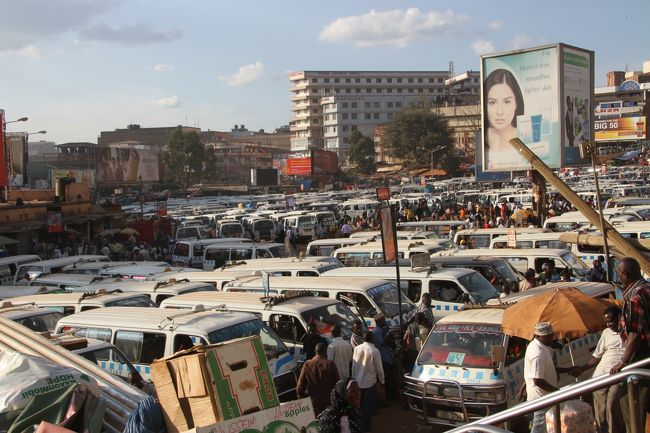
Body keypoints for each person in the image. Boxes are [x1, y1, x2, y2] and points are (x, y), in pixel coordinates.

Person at [610, 257, 649, 431]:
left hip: (640, 355)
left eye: (618, 274)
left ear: (625, 275)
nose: (618, 277)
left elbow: (634, 334)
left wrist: (624, 362)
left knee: (631, 403)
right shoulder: (647, 289)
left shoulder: (636, 296)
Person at [572, 306, 625, 433]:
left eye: (611, 321)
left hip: (617, 374)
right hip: (600, 376)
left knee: (611, 405)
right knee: (600, 410)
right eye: (606, 322)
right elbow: (596, 356)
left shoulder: (628, 332)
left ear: (619, 318)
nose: (609, 324)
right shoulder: (606, 333)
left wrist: (621, 364)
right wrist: (583, 369)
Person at [518, 322, 574, 433]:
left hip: (545, 396)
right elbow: (537, 380)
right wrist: (557, 392)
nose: (552, 338)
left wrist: (569, 370)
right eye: (549, 336)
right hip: (541, 399)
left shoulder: (541, 347)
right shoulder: (537, 353)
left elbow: (544, 370)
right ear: (541, 336)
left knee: (546, 427)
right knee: (539, 428)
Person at [484, 68, 525, 170]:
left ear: (516, 103)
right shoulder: (483, 145)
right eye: (492, 102)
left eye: (507, 102)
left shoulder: (526, 141)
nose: (499, 111)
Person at [352, 331, 384, 432]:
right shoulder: (374, 351)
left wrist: (354, 378)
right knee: (368, 406)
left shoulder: (357, 348)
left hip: (358, 381)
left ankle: (359, 425)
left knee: (359, 405)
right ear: (372, 339)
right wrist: (382, 381)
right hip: (370, 382)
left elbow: (353, 364)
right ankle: (366, 426)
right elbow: (379, 369)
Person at [297, 342, 340, 416]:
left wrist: (302, 400)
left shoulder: (307, 364)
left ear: (315, 351)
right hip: (328, 403)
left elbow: (300, 386)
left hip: (313, 403)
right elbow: (338, 385)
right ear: (326, 352)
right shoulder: (330, 364)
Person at [372, 314, 397, 401]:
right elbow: (383, 343)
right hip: (383, 359)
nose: (384, 322)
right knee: (388, 379)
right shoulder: (377, 331)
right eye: (383, 320)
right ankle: (389, 397)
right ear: (378, 321)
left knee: (391, 377)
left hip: (388, 357)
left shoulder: (382, 330)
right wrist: (388, 336)